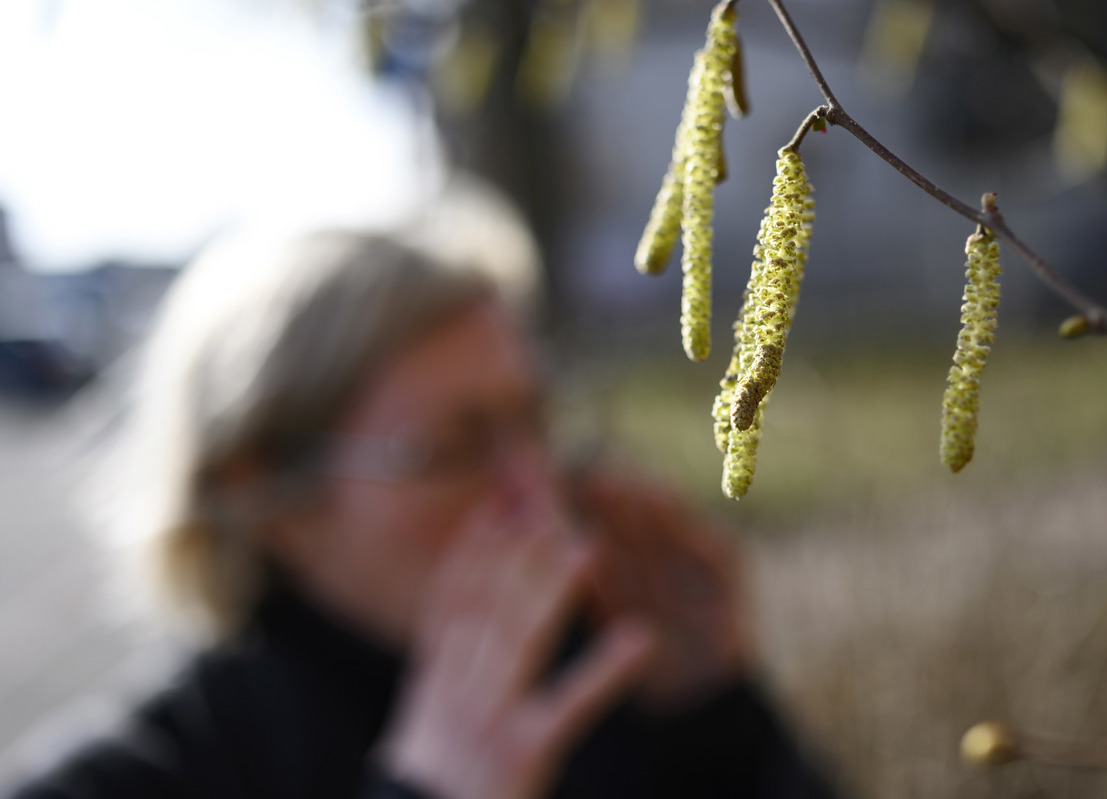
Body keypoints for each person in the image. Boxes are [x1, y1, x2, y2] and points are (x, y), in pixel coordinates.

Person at [4, 220, 838, 799]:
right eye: (454, 447)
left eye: (534, 423)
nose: (535, 490)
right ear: (264, 491)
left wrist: (716, 727)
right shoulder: (131, 778)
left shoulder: (606, 690)